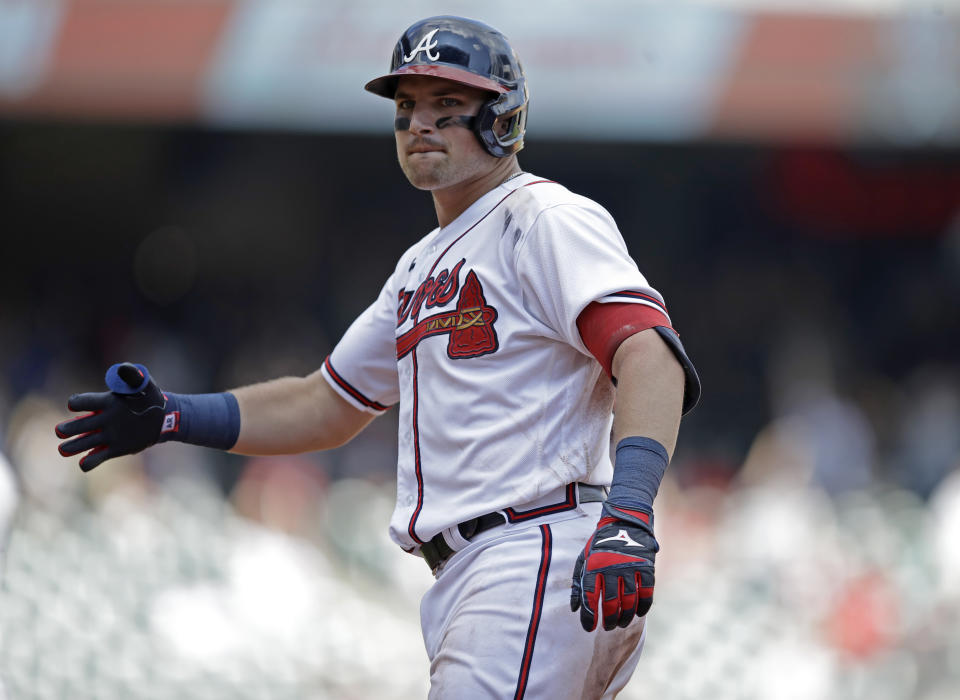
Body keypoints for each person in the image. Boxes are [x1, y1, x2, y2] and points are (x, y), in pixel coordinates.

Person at [56, 16, 700, 699]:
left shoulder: (540, 218)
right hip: (486, 568)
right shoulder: (421, 266)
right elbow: (325, 403)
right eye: (406, 108)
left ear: (503, 118)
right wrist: (174, 417)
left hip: (533, 549)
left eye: (447, 106)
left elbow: (648, 353)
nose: (420, 124)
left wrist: (629, 517)